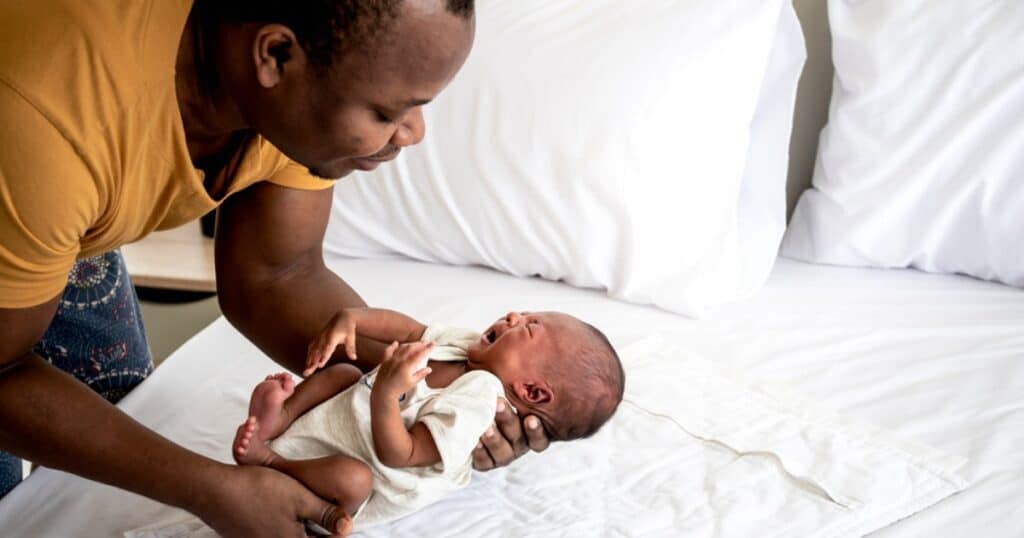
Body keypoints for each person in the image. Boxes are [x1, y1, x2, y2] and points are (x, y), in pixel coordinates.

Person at [0, 1, 547, 536]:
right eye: (386, 113)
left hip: (50, 216)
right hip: (29, 169)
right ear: (276, 54)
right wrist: (209, 488)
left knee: (111, 433)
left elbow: (277, 275)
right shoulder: (48, 118)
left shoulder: (287, 83)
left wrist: (437, 396)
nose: (413, 133)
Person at [231, 309, 625, 535]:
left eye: (529, 328)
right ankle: (279, 420)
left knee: (353, 480)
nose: (514, 315)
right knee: (345, 374)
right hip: (345, 421)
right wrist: (353, 319)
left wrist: (387, 393)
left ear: (532, 392)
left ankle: (268, 461)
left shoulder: (479, 399)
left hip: (363, 474)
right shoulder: (466, 346)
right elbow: (408, 330)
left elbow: (401, 453)